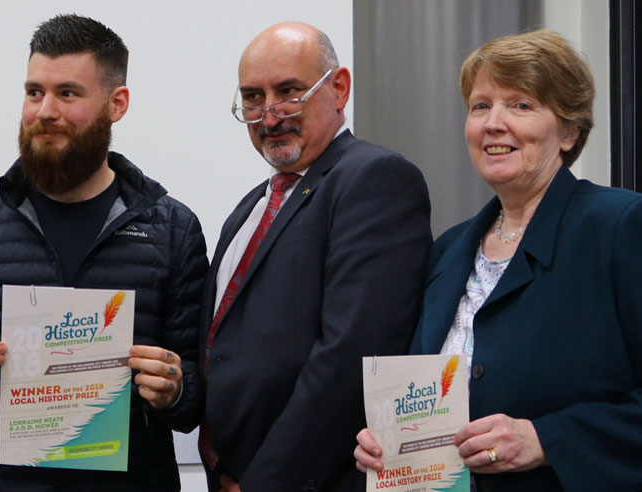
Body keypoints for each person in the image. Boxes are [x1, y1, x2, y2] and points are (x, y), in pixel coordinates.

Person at [0, 14, 208, 492]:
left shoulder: (173, 230)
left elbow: (197, 395)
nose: (44, 110)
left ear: (116, 104)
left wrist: (176, 389)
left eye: (67, 94)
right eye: (34, 92)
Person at [353, 29, 642, 491]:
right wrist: (387, 438)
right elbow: (425, 395)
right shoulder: (448, 250)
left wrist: (546, 438)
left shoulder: (620, 226)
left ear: (568, 131)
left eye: (521, 105)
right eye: (480, 106)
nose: (492, 123)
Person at [199, 22, 431, 492]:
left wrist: (264, 483)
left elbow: (350, 361)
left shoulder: (374, 179)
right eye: (252, 98)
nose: (269, 116)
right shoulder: (250, 207)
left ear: (339, 88)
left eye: (289, 93)